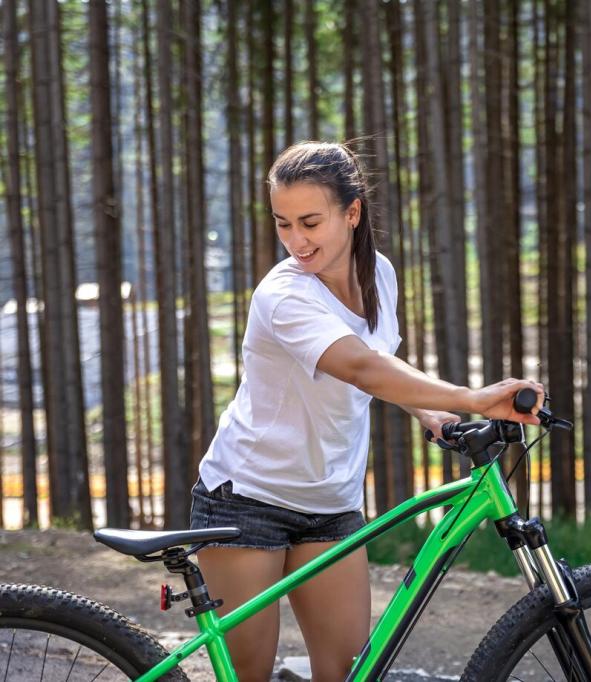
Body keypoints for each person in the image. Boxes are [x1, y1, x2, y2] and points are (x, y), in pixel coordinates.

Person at [190, 140, 543, 681]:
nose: (296, 241)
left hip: (332, 501)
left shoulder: (378, 273)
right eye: (283, 224)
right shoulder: (284, 296)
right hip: (247, 499)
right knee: (247, 675)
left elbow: (382, 360)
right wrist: (470, 397)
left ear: (352, 212)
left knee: (350, 672)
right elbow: (360, 367)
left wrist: (428, 413)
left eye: (310, 222)